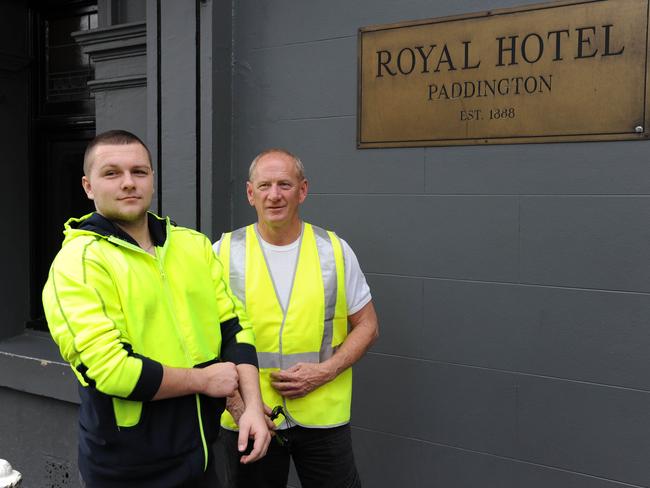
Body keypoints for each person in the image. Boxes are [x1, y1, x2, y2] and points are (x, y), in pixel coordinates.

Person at [42, 130, 271, 488]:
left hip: (203, 455)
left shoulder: (192, 246)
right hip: (128, 469)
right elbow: (113, 371)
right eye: (112, 173)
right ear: (88, 186)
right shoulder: (78, 264)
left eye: (139, 172)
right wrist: (205, 380)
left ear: (152, 179)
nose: (128, 183)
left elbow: (234, 327)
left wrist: (253, 406)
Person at [213, 148, 379, 488]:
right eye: (265, 186)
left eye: (284, 185)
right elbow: (201, 338)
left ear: (302, 190)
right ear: (250, 193)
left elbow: (368, 325)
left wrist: (325, 371)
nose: (274, 195)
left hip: (322, 418)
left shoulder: (333, 250)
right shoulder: (223, 252)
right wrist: (239, 407)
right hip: (249, 418)